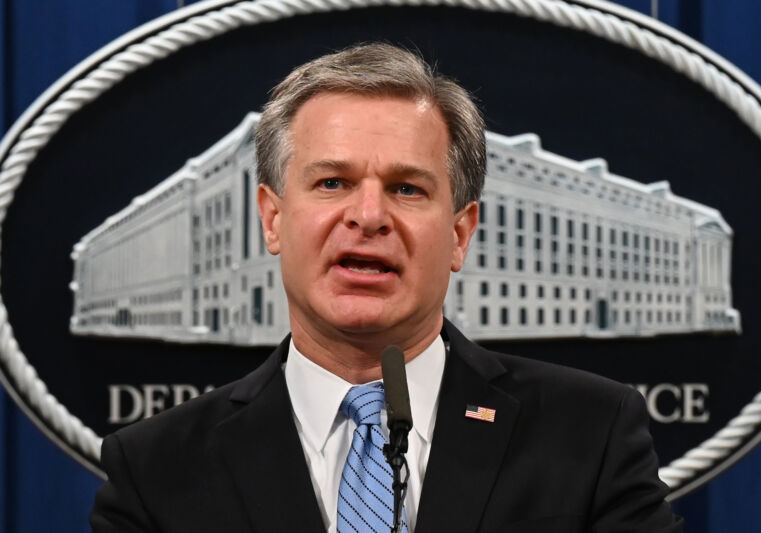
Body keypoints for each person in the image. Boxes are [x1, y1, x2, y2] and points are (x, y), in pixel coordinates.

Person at [90, 43, 683, 533]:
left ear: (459, 234)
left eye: (406, 189)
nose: (369, 216)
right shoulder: (155, 469)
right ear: (272, 219)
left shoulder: (591, 433)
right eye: (332, 182)